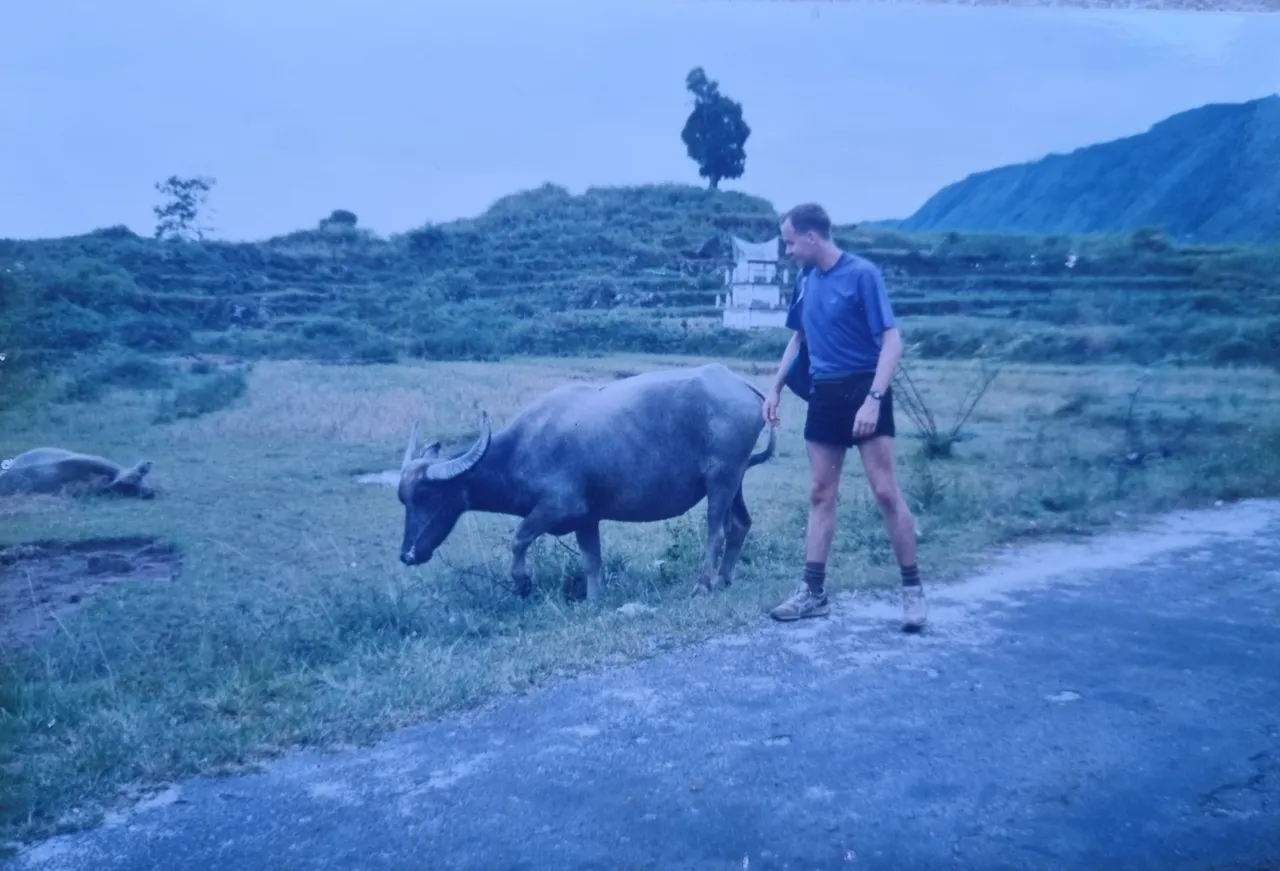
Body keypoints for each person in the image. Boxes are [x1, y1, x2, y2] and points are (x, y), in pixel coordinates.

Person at [761, 202, 927, 631]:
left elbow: (891, 343)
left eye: (791, 241)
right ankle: (813, 593)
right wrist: (775, 387)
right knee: (820, 492)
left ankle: (912, 592)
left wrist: (874, 398)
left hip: (863, 389)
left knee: (886, 492)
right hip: (825, 393)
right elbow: (799, 339)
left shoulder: (862, 275)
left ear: (812, 237)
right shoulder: (805, 280)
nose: (789, 250)